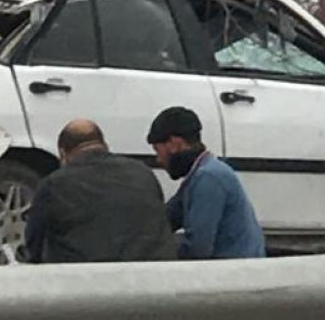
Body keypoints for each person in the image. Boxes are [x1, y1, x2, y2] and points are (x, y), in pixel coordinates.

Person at [24, 119, 177, 263]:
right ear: (104, 145)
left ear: (63, 154)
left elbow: (34, 244)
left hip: (87, 281)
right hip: (152, 276)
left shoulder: (53, 185)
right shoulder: (143, 173)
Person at [147, 106, 266, 259]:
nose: (158, 159)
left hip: (234, 273)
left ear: (174, 143)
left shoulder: (208, 178)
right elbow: (165, 219)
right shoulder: (199, 174)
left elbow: (197, 248)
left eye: (158, 150)